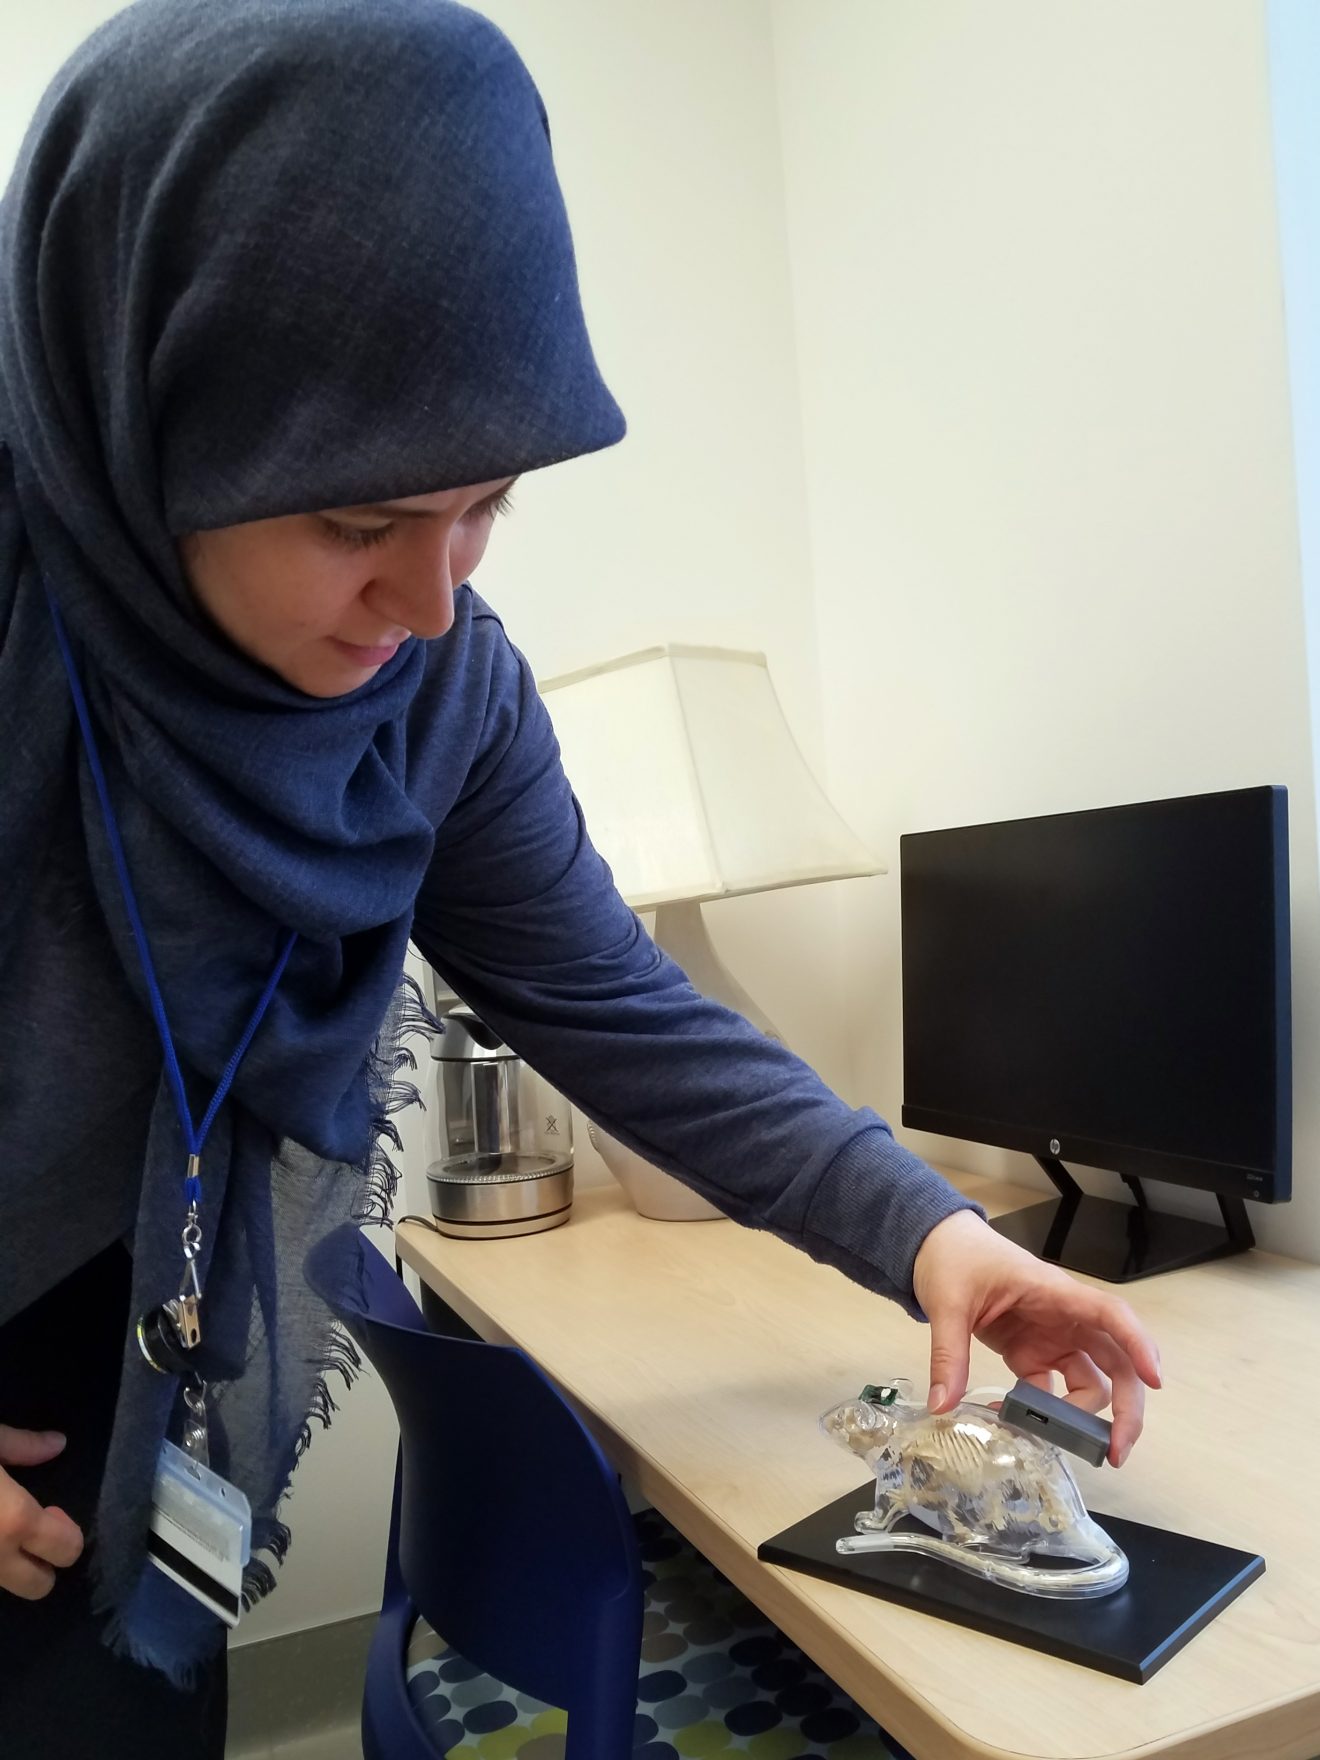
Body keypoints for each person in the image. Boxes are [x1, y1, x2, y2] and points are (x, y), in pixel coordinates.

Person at [0, 0, 1161, 1752]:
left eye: (489, 505)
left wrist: (928, 1232)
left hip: (135, 1366)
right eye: (354, 519)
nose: (434, 599)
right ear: (137, 412)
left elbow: (615, 1001)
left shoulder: (443, 696)